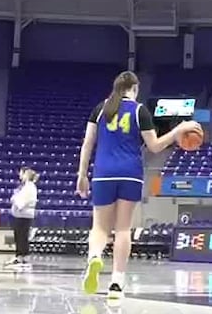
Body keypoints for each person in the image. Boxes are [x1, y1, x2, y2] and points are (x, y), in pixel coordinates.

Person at [76, 70, 201, 301]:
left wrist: (81, 174)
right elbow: (154, 146)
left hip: (103, 173)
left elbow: (87, 143)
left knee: (100, 227)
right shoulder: (139, 110)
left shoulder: (100, 109)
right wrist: (177, 131)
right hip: (130, 173)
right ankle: (117, 282)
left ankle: (94, 256)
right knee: (123, 229)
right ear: (134, 88)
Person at [9, 167, 39, 267]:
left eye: (22, 173)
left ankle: (23, 257)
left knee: (22, 236)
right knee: (18, 235)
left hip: (24, 215)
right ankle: (19, 255)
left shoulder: (30, 187)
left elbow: (23, 201)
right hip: (19, 214)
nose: (20, 175)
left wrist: (15, 200)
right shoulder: (24, 187)